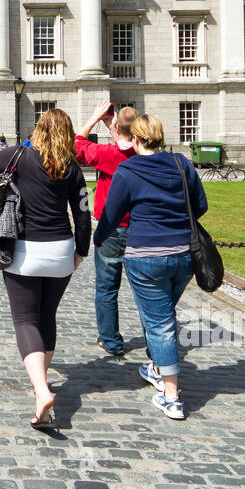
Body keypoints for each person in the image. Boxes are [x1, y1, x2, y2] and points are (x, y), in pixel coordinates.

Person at [0, 109, 92, 429]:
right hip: (61, 251)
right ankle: (42, 382)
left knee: (25, 320)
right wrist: (81, 250)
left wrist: (0, 163)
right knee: (46, 316)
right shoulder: (73, 169)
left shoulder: (19, 156)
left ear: (38, 130)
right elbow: (82, 215)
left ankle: (41, 389)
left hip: (24, 251)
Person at [93, 115, 208, 421]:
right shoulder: (182, 164)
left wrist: (98, 238)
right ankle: (157, 366)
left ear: (134, 139)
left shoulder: (128, 169)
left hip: (146, 256)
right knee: (164, 315)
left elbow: (112, 214)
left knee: (160, 324)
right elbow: (200, 206)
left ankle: (171, 395)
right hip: (184, 255)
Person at [75, 100, 140, 358]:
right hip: (141, 230)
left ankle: (111, 341)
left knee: (107, 288)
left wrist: (94, 117)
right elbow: (127, 146)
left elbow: (77, 143)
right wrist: (115, 129)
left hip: (111, 230)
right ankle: (154, 338)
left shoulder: (107, 155)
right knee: (145, 291)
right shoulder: (146, 155)